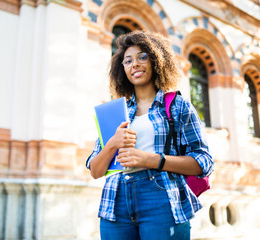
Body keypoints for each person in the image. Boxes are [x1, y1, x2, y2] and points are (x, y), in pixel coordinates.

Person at [86, 30, 214, 240]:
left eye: (142, 57)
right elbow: (96, 171)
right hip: (114, 202)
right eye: (128, 61)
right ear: (122, 69)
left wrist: (151, 160)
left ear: (156, 61)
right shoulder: (114, 112)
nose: (134, 64)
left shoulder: (177, 106)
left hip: (162, 198)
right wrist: (112, 145)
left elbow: (203, 161)